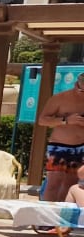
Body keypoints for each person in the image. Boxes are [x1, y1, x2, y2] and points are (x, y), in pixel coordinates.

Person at [38, 73, 84, 201]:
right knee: (54, 183)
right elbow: (42, 120)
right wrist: (66, 120)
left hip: (80, 146)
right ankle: (48, 212)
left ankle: (63, 211)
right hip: (60, 145)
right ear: (77, 84)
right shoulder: (60, 98)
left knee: (71, 184)